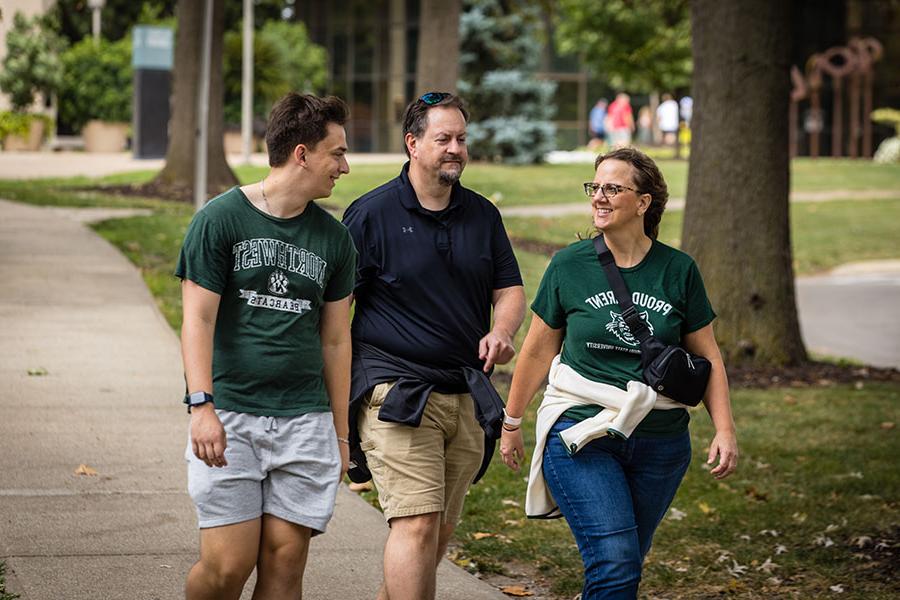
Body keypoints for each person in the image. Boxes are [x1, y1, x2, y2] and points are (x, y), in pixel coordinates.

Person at [499, 147, 738, 599]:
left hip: (662, 443)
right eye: (595, 187)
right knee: (616, 563)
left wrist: (724, 429)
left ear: (643, 203)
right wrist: (512, 422)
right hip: (583, 430)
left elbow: (710, 358)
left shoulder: (678, 270)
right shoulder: (570, 265)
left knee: (624, 561)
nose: (599, 198)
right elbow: (534, 353)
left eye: (613, 188)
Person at [342, 91, 526, 600]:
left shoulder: (482, 215)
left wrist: (503, 330)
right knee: (418, 525)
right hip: (395, 392)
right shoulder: (371, 215)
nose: (455, 149)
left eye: (461, 139)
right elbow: (335, 313)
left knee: (435, 534)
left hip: (464, 393)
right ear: (412, 143)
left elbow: (509, 288)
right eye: (443, 138)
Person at [176, 93, 357, 599]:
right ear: (302, 154)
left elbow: (337, 339)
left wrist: (341, 436)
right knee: (227, 567)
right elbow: (198, 319)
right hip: (231, 415)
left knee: (284, 565)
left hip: (304, 420)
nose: (345, 165)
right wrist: (201, 405)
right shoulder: (220, 220)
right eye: (336, 153)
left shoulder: (334, 239)